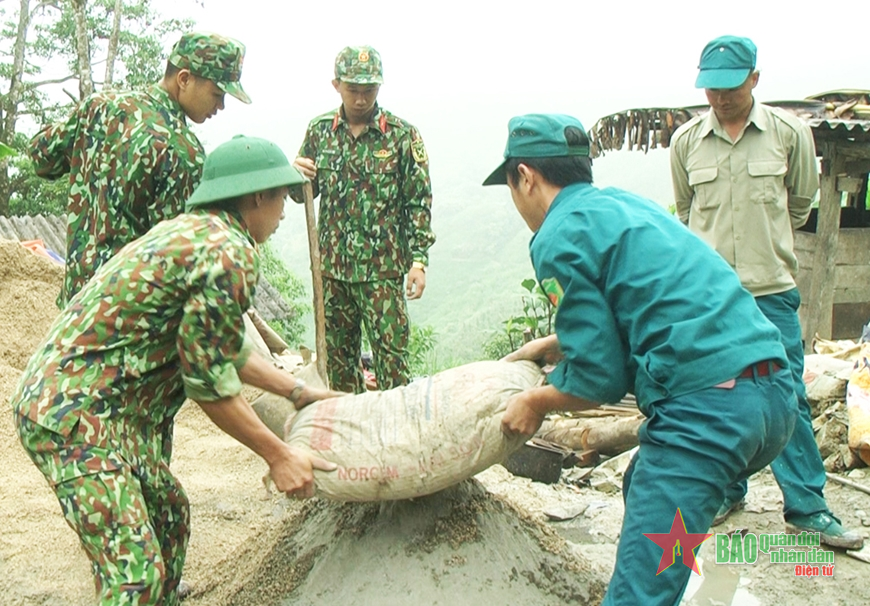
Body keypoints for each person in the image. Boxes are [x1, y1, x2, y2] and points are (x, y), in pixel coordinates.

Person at [11, 135, 342, 606]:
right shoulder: (228, 250)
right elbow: (208, 385)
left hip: (109, 412)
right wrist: (279, 455)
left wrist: (296, 391)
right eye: (280, 195)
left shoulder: (196, 232)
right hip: (74, 416)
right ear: (255, 197)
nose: (285, 209)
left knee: (169, 515)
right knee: (135, 578)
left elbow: (219, 346)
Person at [484, 113, 797, 605]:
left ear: (525, 176)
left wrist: (536, 403)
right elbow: (644, 307)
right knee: (642, 484)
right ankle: (668, 574)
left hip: (708, 412)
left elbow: (599, 380)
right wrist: (553, 344)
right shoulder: (625, 206)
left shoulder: (555, 234)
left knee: (635, 596)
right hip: (775, 401)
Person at [670, 35, 863, 549]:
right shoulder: (686, 141)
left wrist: (763, 246)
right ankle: (728, 491)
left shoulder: (789, 134)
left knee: (784, 398)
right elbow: (685, 213)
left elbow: (800, 205)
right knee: (716, 399)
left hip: (770, 293)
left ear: (754, 79)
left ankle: (808, 508)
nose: (720, 97)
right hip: (711, 300)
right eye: (711, 87)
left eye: (730, 86)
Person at [30, 31, 251, 307]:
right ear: (184, 79)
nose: (220, 106)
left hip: (74, 312)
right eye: (217, 94)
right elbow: (176, 263)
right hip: (126, 324)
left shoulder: (99, 107)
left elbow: (41, 158)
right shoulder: (183, 152)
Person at [292, 45, 435, 393]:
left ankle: (399, 437)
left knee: (392, 361)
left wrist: (419, 261)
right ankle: (349, 436)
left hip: (382, 272)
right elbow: (303, 195)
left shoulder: (402, 135)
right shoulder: (320, 131)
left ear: (379, 87)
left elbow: (418, 201)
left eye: (368, 90)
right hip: (334, 271)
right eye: (353, 89)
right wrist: (296, 175)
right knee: (339, 363)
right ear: (336, 85)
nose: (360, 99)